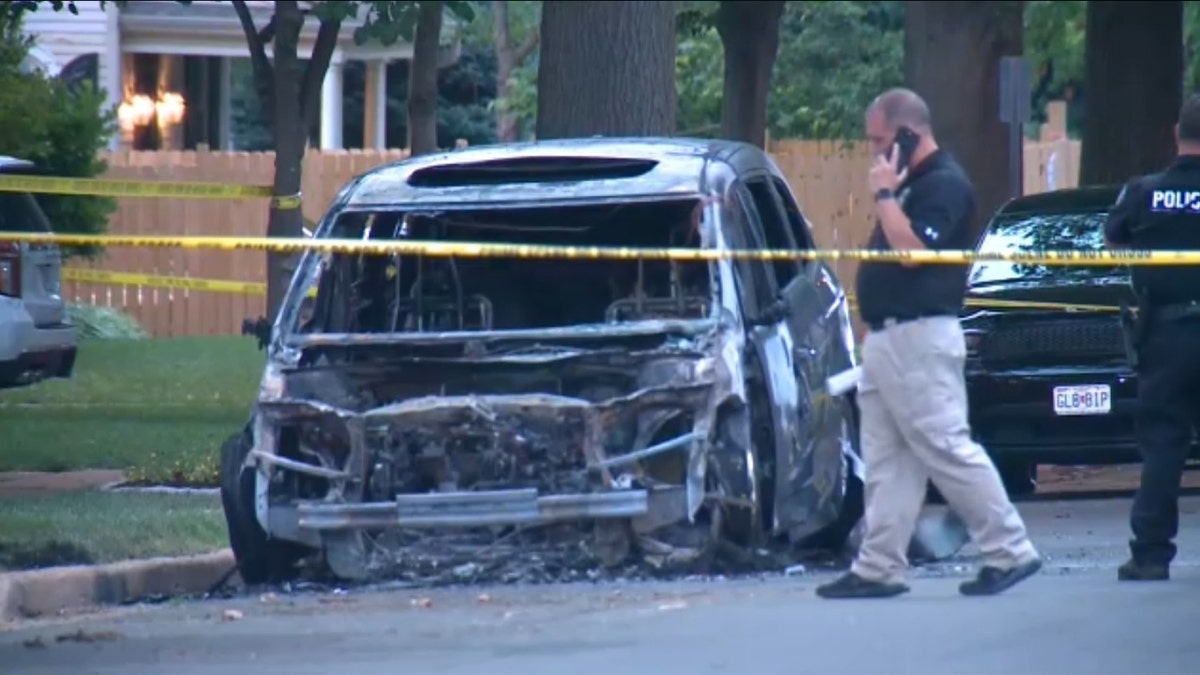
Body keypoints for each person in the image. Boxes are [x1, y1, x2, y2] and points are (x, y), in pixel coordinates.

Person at [816, 88, 1042, 599]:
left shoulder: (944, 184)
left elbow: (914, 253)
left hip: (920, 338)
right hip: (889, 338)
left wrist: (884, 197)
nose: (873, 150)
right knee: (887, 460)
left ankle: (1011, 549)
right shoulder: (910, 183)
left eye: (879, 139)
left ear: (907, 133)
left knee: (946, 446)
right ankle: (879, 566)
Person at [1103, 93, 1200, 582]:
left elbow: (1113, 237)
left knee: (1163, 444)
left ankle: (1150, 554)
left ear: (1175, 134)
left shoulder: (1144, 191)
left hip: (1167, 332)